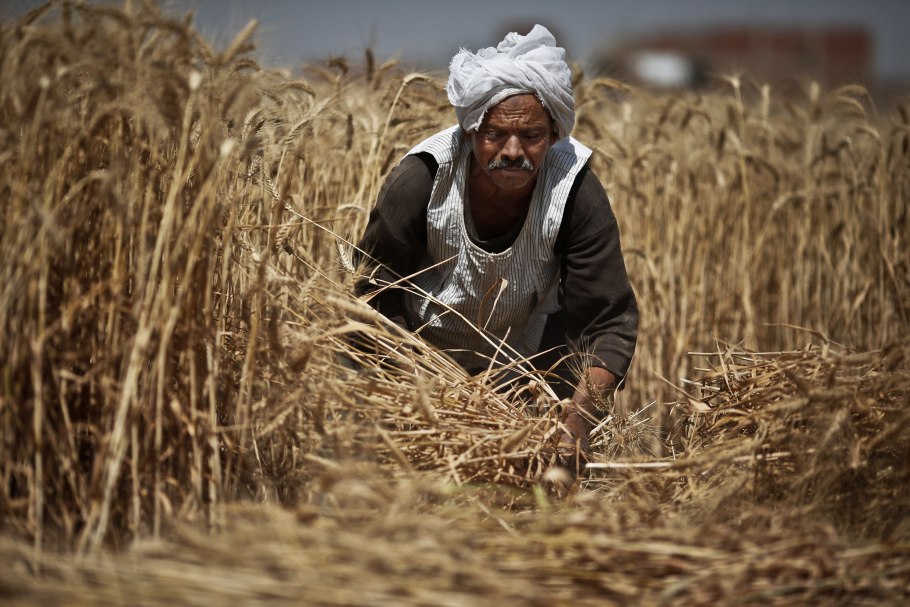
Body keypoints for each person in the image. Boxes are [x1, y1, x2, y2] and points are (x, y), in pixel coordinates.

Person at [354, 25, 638, 460]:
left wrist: (575, 423)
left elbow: (609, 322)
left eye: (531, 136)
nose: (511, 150)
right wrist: (418, 399)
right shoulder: (422, 181)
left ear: (555, 136)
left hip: (526, 375)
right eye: (495, 134)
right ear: (470, 133)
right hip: (417, 373)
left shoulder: (574, 191)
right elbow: (372, 295)